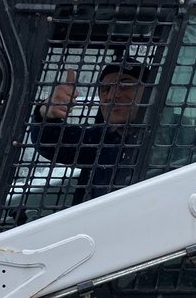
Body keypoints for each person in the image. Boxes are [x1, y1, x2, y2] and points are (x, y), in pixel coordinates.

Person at [30, 61, 150, 200]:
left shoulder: (176, 136)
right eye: (105, 90)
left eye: (124, 85)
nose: (111, 96)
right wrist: (45, 114)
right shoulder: (103, 142)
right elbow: (53, 143)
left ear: (150, 91)